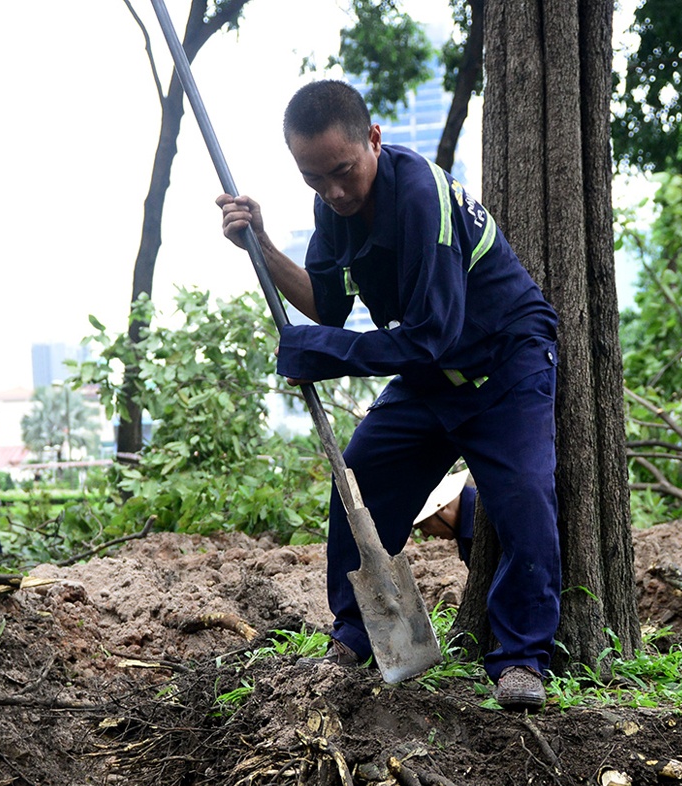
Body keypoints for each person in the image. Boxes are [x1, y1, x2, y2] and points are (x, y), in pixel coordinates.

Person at [217, 80, 560, 710]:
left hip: (502, 365)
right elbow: (326, 306)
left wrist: (326, 354)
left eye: (343, 171)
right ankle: (357, 630)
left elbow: (432, 333)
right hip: (429, 373)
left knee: (525, 500)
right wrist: (259, 245)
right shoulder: (333, 208)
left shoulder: (423, 197)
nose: (333, 192)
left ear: (373, 139)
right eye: (314, 178)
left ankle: (520, 657)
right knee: (362, 477)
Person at [415, 469, 475, 565]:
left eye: (423, 525)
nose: (425, 534)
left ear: (442, 506)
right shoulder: (466, 529)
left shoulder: (489, 517)